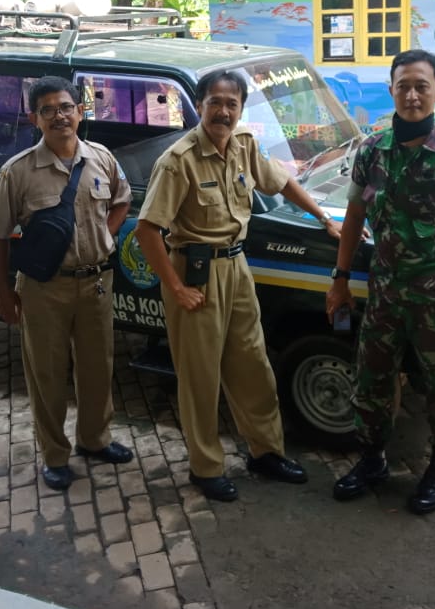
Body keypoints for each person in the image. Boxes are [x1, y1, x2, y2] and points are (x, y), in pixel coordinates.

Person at [134, 70, 340, 501]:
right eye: (215, 102)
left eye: (232, 104)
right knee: (200, 376)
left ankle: (266, 452)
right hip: (195, 274)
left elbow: (280, 181)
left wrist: (322, 217)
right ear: (199, 105)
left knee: (253, 365)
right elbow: (148, 230)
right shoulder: (178, 160)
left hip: (237, 268)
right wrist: (176, 288)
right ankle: (205, 467)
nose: (223, 112)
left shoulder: (244, 144)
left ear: (241, 108)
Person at [326, 49, 435, 515]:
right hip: (385, 294)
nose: (413, 95)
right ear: (391, 91)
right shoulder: (372, 149)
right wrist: (340, 280)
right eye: (404, 86)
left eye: (422, 86)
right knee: (372, 379)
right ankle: (372, 460)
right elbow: (354, 216)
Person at [0, 76, 134, 491]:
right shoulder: (18, 172)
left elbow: (122, 199)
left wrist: (106, 235)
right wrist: (3, 292)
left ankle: (95, 439)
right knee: (47, 374)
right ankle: (54, 455)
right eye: (47, 110)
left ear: (80, 111)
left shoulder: (102, 158)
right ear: (34, 118)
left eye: (66, 107)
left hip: (96, 282)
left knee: (97, 367)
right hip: (44, 289)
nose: (59, 116)